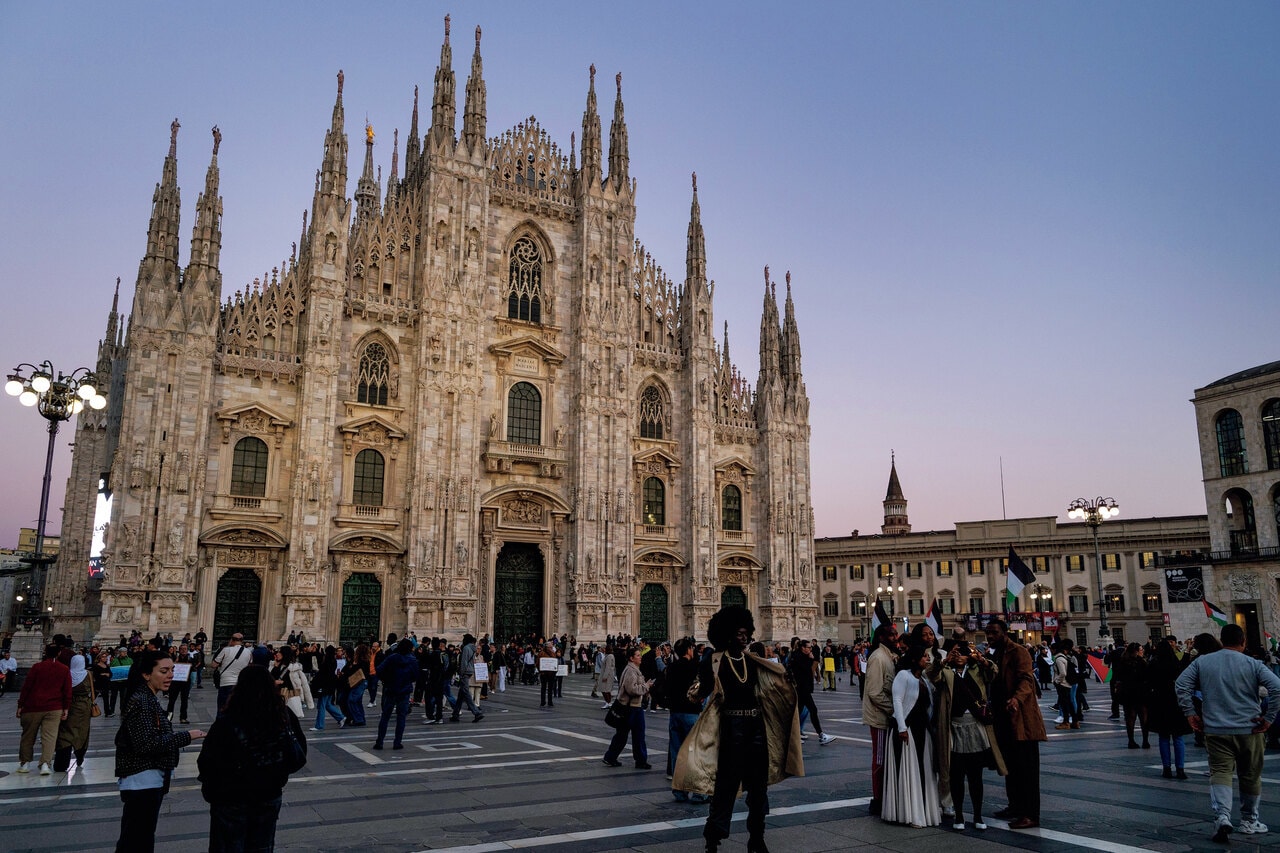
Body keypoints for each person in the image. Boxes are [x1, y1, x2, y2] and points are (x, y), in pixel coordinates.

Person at [673, 605, 802, 853]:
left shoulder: (753, 661)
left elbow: (771, 687)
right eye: (740, 633)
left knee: (758, 789)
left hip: (756, 729)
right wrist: (700, 686)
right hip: (731, 730)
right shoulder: (714, 661)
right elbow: (699, 692)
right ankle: (713, 840)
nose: (745, 637)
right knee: (726, 788)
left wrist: (787, 680)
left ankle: (757, 838)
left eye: (747, 633)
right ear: (728, 634)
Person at [1176, 623, 1280, 841]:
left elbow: (1181, 685)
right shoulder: (1253, 663)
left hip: (1215, 729)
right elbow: (1277, 688)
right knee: (1250, 775)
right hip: (1250, 728)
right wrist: (1269, 718)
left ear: (1222, 641)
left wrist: (1190, 712)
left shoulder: (1203, 662)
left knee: (1220, 773)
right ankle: (1249, 821)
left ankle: (1222, 816)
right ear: (1243, 642)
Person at [198, 665, 307, 852]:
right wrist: (276, 775)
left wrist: (214, 790)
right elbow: (298, 754)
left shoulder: (229, 719)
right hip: (268, 794)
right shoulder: (283, 716)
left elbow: (207, 761)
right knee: (262, 846)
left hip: (231, 797)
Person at [114, 649, 206, 853]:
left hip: (147, 779)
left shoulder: (146, 698)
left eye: (172, 670)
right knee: (137, 840)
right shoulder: (143, 701)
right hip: (143, 779)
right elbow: (147, 744)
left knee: (137, 838)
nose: (170, 675)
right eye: (164, 671)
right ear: (146, 674)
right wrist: (186, 736)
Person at [985, 618, 1046, 830]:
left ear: (1004, 632)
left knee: (1026, 769)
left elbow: (1027, 680)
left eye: (994, 632)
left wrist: (1016, 699)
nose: (990, 636)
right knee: (1010, 767)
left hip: (1021, 718)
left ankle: (1030, 814)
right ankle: (1015, 806)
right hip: (1004, 719)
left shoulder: (1019, 651)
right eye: (988, 633)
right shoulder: (995, 654)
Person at [938, 639, 1004, 831]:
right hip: (955, 728)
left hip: (975, 727)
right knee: (956, 775)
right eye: (955, 653)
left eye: (962, 653)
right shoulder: (946, 672)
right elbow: (930, 674)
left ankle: (977, 815)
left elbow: (994, 672)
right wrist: (944, 661)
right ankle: (959, 815)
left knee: (976, 776)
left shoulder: (977, 671)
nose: (958, 656)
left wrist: (982, 659)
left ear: (969, 656)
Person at [881, 643, 941, 827]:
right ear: (915, 659)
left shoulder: (923, 678)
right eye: (924, 656)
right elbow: (897, 700)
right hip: (907, 729)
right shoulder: (903, 675)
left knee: (923, 770)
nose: (927, 658)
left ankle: (922, 811)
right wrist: (901, 728)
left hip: (922, 729)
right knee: (910, 771)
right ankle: (910, 813)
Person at [861, 623, 901, 816]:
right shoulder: (878, 658)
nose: (896, 638)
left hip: (885, 716)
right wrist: (895, 709)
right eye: (893, 635)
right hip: (879, 718)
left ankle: (884, 795)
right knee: (879, 759)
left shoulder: (887, 656)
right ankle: (877, 799)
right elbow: (874, 692)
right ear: (883, 638)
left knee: (884, 758)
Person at [16, 644, 72, 775]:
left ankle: (25, 764)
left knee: (28, 736)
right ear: (59, 653)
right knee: (49, 737)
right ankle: (45, 764)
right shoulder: (64, 669)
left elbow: (26, 687)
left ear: (45, 653)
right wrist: (66, 708)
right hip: (54, 708)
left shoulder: (37, 667)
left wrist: (20, 705)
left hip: (32, 707)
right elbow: (67, 691)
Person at [665, 637, 707, 803]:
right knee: (695, 754)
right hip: (691, 713)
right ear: (689, 650)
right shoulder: (695, 667)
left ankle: (679, 792)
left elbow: (666, 687)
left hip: (675, 714)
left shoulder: (672, 667)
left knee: (677, 753)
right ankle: (698, 793)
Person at [1147, 635, 1191, 779]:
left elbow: (1149, 683)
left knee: (1163, 737)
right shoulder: (1175, 664)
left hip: (1160, 701)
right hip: (1175, 701)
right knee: (1178, 737)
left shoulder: (1153, 664)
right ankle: (1180, 768)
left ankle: (1166, 768)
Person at [602, 646, 653, 769]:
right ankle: (640, 760)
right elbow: (632, 689)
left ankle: (610, 757)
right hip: (632, 708)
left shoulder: (633, 669)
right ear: (631, 658)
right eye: (638, 655)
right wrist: (646, 686)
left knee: (623, 734)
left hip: (631, 707)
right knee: (637, 735)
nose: (640, 657)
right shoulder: (631, 670)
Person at [374, 639, 421, 749]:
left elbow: (379, 670)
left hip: (391, 690)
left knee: (385, 716)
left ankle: (379, 742)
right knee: (401, 717)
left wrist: (386, 681)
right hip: (404, 691)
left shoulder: (392, 658)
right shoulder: (412, 660)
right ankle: (397, 742)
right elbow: (416, 676)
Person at [54, 651, 96, 771]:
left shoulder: (67, 674)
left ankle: (61, 763)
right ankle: (80, 756)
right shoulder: (88, 674)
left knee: (65, 733)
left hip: (68, 705)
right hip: (83, 707)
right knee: (82, 732)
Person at [788, 639, 835, 744]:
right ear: (803, 648)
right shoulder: (798, 657)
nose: (810, 649)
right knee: (812, 709)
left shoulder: (799, 656)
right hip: (801, 688)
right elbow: (807, 669)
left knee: (798, 712)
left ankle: (793, 735)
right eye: (809, 647)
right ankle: (821, 735)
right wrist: (811, 659)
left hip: (803, 688)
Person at [1113, 642, 1150, 749]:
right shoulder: (1141, 662)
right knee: (1144, 718)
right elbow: (1146, 677)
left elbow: (1117, 677)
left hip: (1127, 694)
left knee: (1130, 718)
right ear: (1136, 651)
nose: (1142, 651)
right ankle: (1145, 741)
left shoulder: (1122, 661)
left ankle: (1131, 741)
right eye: (1141, 649)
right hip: (1141, 693)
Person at [209, 632, 252, 717]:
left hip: (226, 683)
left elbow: (214, 665)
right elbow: (249, 666)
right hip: (240, 684)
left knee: (222, 708)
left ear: (231, 640)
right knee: (237, 709)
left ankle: (221, 727)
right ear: (242, 641)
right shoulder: (249, 652)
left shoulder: (226, 650)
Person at [309, 646, 348, 731]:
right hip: (331, 686)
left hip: (325, 686)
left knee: (321, 706)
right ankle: (341, 717)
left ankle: (319, 725)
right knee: (327, 704)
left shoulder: (326, 662)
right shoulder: (333, 661)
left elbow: (322, 675)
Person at [450, 634, 485, 723]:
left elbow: (464, 662)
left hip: (465, 672)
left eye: (464, 639)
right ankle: (455, 714)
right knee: (461, 696)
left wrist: (461, 674)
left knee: (466, 693)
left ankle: (476, 713)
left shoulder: (466, 648)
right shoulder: (473, 648)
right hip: (470, 671)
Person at [1052, 639, 1080, 730]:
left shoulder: (1059, 659)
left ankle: (1066, 722)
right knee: (1070, 703)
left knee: (1064, 704)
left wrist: (1057, 680)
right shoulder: (1065, 657)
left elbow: (1063, 673)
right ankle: (1075, 722)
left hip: (1063, 684)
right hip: (1067, 683)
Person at [345, 644, 371, 726]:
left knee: (352, 700)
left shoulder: (360, 661)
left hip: (360, 682)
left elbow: (355, 670)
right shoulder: (366, 660)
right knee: (358, 701)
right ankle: (361, 718)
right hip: (363, 682)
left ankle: (358, 719)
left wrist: (354, 665)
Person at [597, 642, 617, 709]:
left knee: (605, 689)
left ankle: (608, 702)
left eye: (603, 648)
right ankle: (608, 702)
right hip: (606, 674)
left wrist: (605, 676)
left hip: (607, 675)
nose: (602, 650)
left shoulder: (609, 656)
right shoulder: (608, 655)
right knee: (605, 689)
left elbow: (608, 667)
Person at [538, 641, 558, 708]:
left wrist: (555, 670)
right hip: (544, 673)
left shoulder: (553, 653)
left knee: (550, 688)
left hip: (551, 673)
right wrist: (540, 670)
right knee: (543, 688)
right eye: (550, 647)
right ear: (547, 647)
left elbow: (555, 662)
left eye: (552, 647)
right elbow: (538, 663)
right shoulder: (541, 653)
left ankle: (550, 701)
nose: (551, 648)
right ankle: (543, 701)